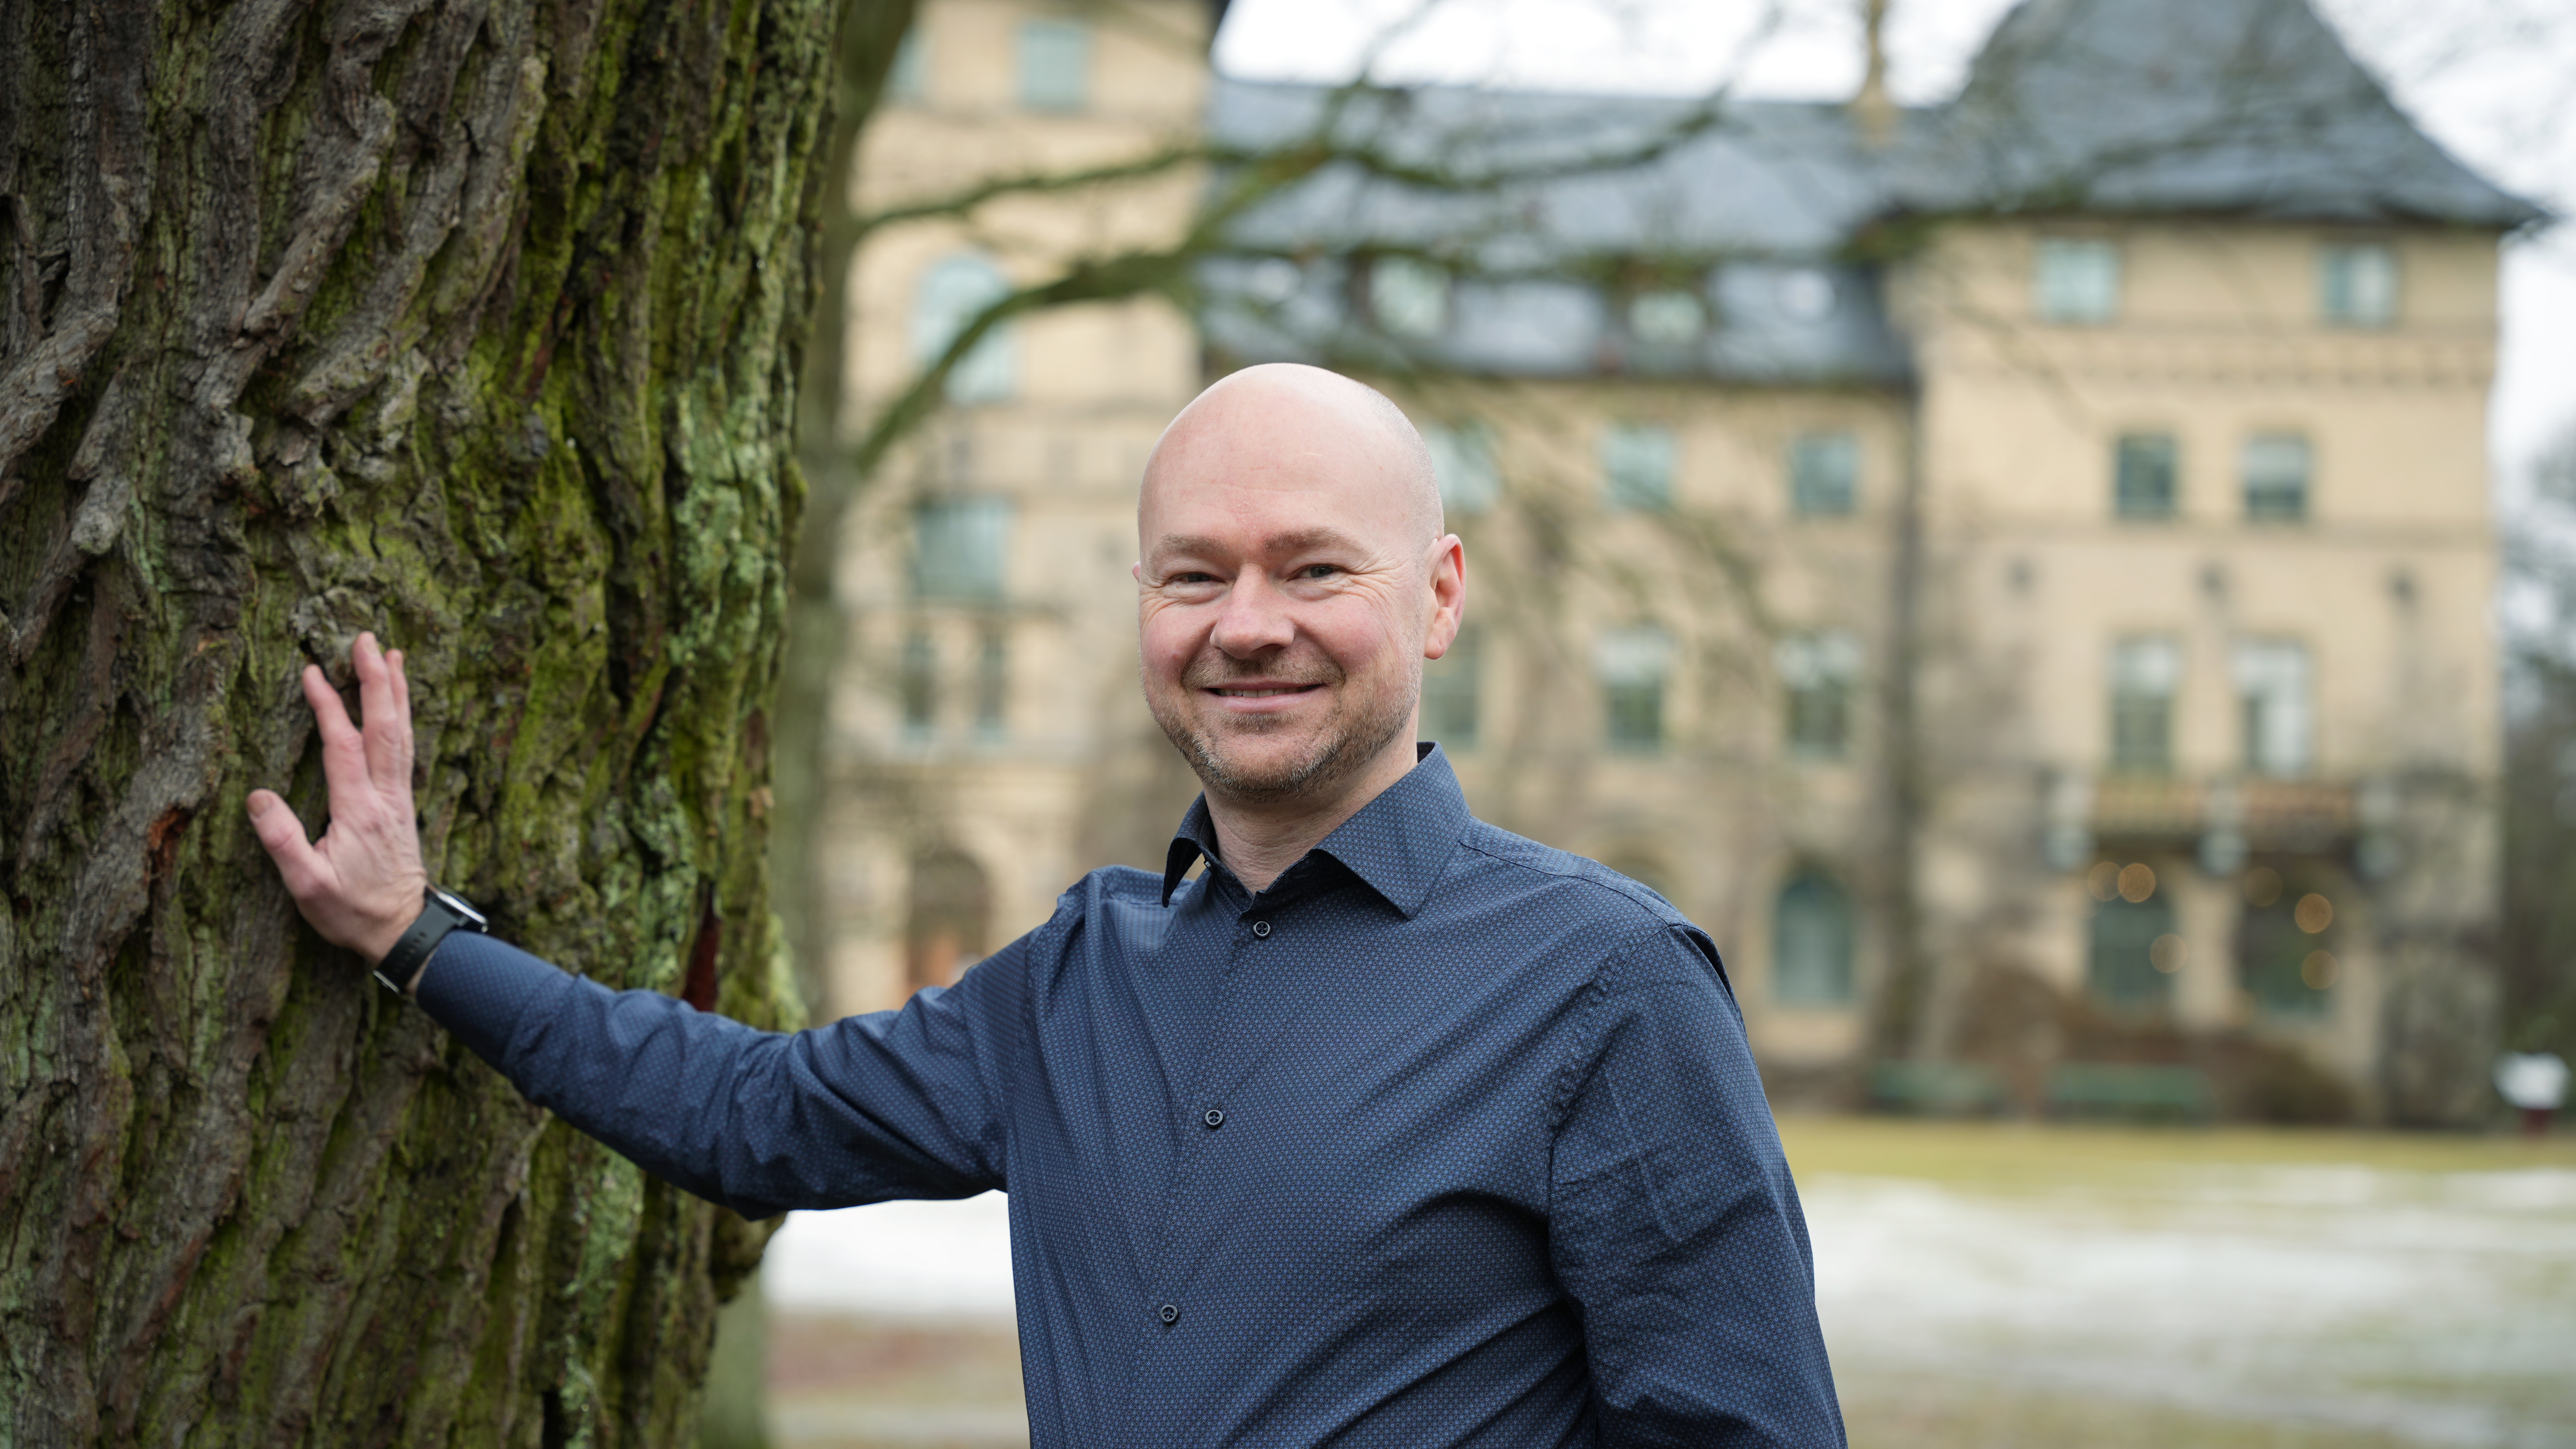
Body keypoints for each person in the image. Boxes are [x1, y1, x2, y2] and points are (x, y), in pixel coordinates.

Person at [249, 363, 1845, 1446]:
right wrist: (414, 933)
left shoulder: (1603, 984)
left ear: (1435, 593)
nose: (1248, 625)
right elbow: (748, 1112)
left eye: (1314, 569)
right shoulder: (1083, 969)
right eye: (1193, 573)